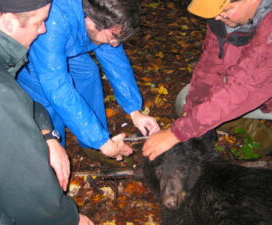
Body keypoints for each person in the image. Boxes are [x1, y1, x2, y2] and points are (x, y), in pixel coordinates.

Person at [0, 0, 93, 224]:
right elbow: (25, 189)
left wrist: (47, 133)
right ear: (9, 21)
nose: (44, 29)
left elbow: (19, 101)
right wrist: (69, 220)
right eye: (39, 22)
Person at [17, 0, 160, 161]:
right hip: (37, 57)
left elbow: (115, 60)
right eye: (112, 37)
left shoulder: (106, 13)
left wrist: (135, 112)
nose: (115, 44)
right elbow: (56, 86)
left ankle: (94, 142)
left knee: (88, 73)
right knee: (48, 105)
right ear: (90, 21)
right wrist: (102, 143)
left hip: (70, 42)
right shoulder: (52, 22)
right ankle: (53, 158)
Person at [143, 0, 272, 160]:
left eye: (225, 10)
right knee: (188, 102)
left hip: (255, 87)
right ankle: (250, 128)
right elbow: (210, 66)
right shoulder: (222, 20)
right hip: (252, 87)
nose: (218, 17)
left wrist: (176, 133)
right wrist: (190, 112)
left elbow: (243, 87)